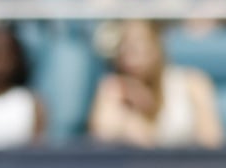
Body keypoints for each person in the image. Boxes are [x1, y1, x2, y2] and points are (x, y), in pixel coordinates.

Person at [88, 19, 224, 149]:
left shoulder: (193, 83)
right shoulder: (113, 89)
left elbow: (211, 140)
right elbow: (102, 137)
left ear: (157, 45)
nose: (130, 51)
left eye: (139, 42)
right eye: (123, 44)